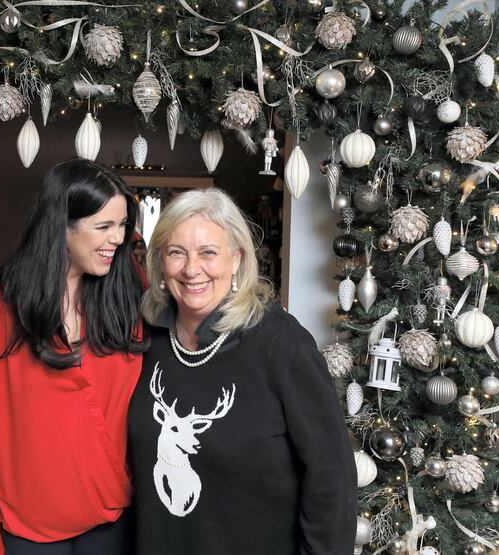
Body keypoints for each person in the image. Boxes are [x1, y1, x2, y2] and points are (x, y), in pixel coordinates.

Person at [128, 188, 356, 554]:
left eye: (208, 253)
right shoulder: (147, 340)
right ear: (159, 261)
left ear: (236, 259)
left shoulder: (282, 346)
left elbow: (332, 480)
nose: (191, 269)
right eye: (176, 252)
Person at [0, 158, 146, 554]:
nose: (118, 238)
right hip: (26, 529)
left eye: (123, 225)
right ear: (61, 225)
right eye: (104, 226)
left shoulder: (130, 298)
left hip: (112, 520)